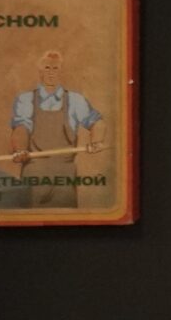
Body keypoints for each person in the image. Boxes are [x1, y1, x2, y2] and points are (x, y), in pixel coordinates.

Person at [7, 49, 106, 208]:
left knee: (64, 218)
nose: (51, 72)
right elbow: (21, 128)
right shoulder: (25, 99)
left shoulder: (75, 100)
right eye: (47, 67)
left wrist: (97, 140)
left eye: (55, 68)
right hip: (34, 173)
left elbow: (97, 122)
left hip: (64, 175)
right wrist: (20, 149)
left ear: (61, 71)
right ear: (40, 70)